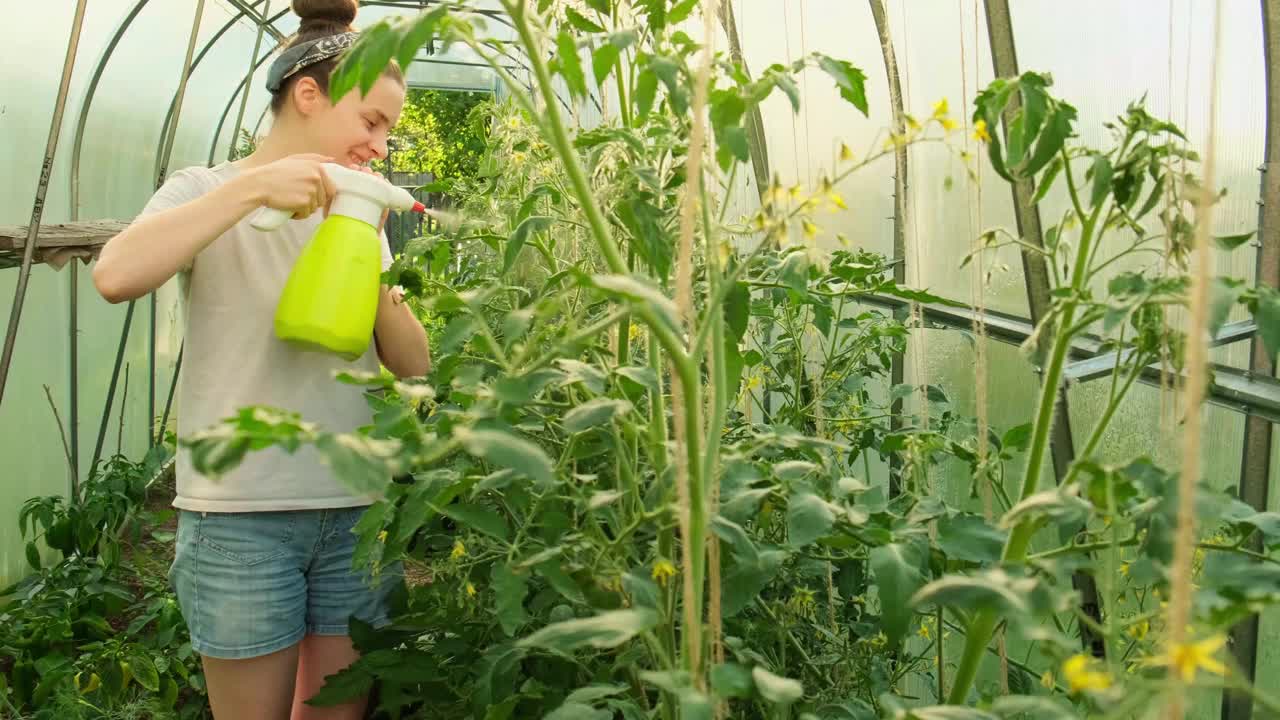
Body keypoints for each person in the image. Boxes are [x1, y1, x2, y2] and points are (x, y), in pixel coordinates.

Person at [92, 0, 430, 717]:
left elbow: (413, 362)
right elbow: (116, 275)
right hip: (241, 517)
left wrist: (366, 247)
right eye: (372, 121)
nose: (380, 145)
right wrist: (251, 189)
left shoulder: (358, 219)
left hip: (357, 509)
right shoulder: (206, 191)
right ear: (308, 94)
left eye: (389, 131)